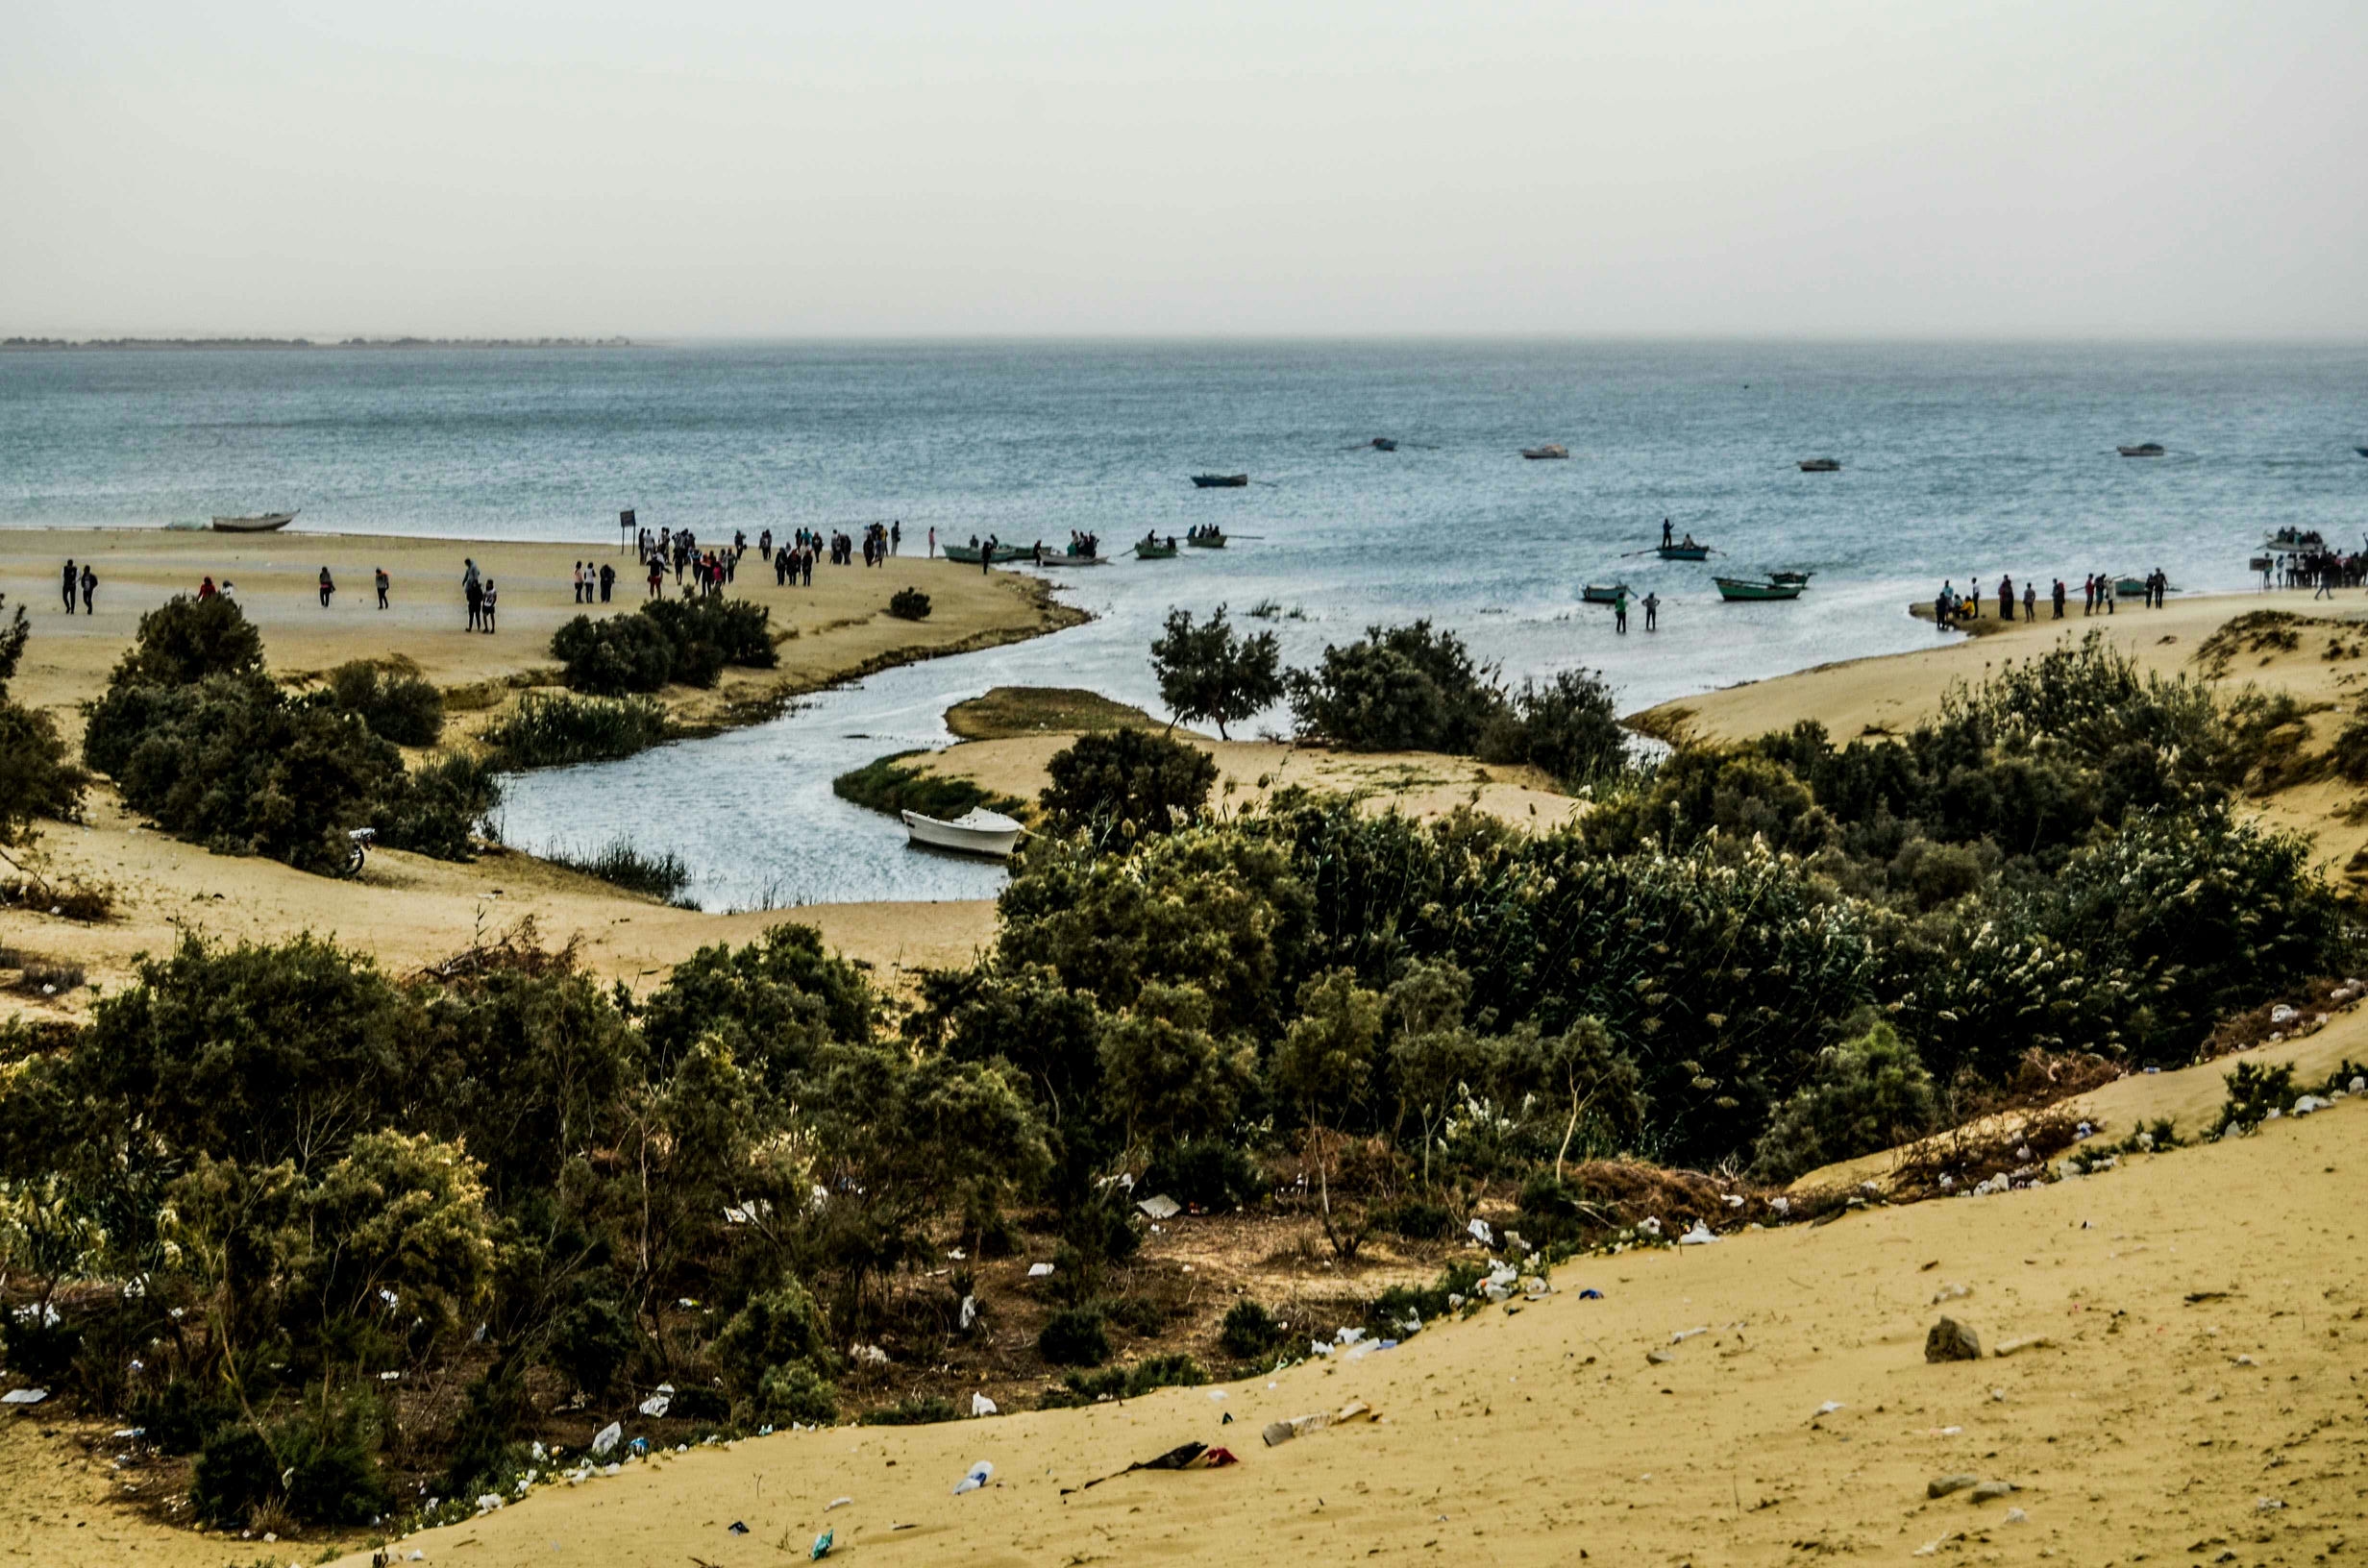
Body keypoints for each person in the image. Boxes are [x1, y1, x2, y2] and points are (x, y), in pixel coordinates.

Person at [462, 558, 483, 629]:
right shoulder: (470, 568)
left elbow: (476, 574)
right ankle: (474, 627)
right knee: (474, 615)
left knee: (475, 615)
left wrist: (474, 581)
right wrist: (464, 581)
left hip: (474, 604)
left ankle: (476, 627)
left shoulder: (474, 567)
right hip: (475, 603)